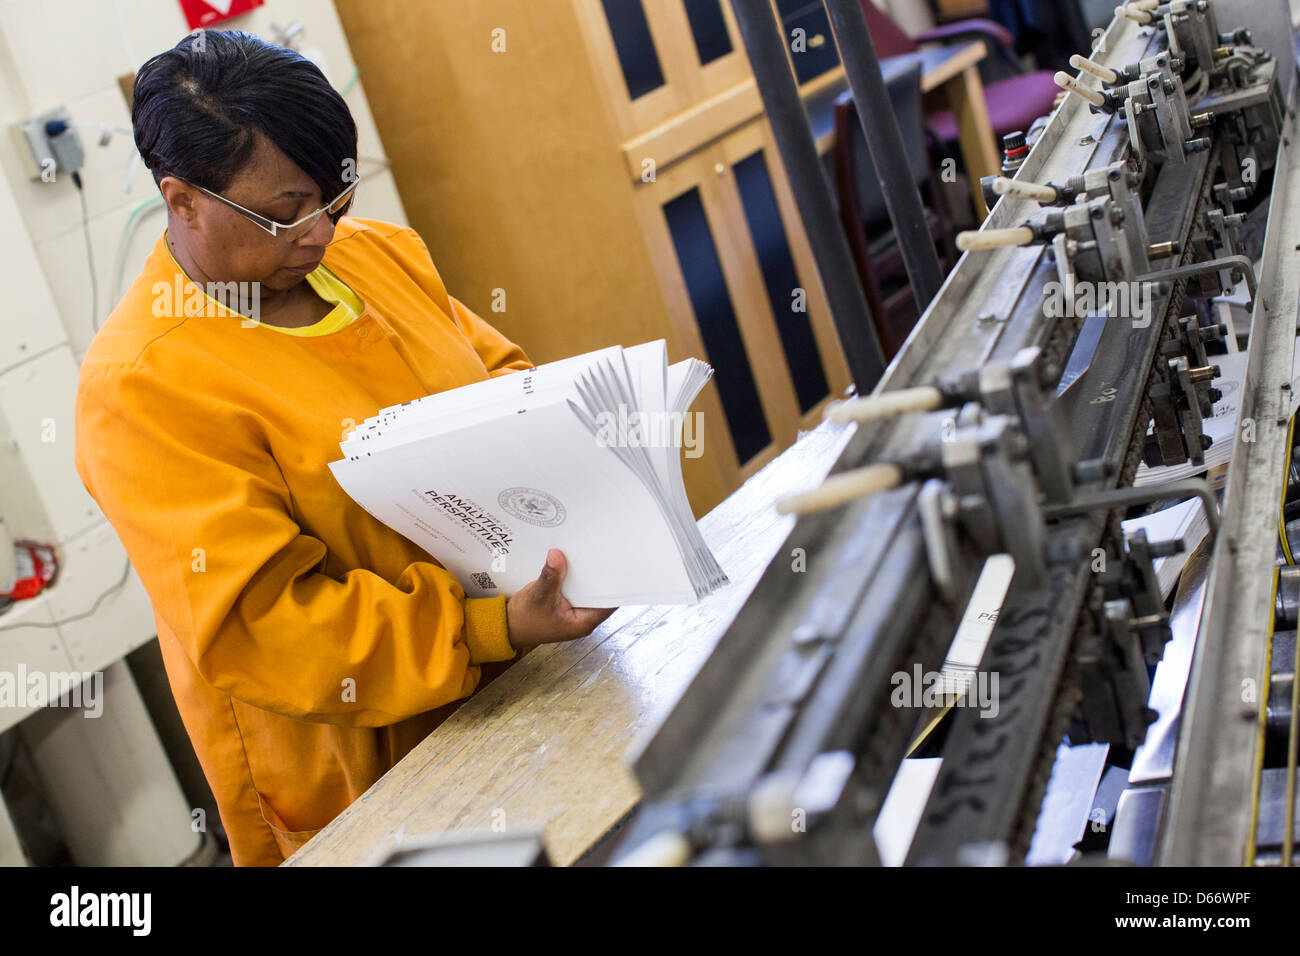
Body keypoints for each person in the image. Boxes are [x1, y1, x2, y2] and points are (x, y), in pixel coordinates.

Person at [74, 30, 614, 866]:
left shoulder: (374, 257)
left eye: (336, 197)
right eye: (284, 213)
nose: (320, 233)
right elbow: (269, 625)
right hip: (367, 765)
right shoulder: (144, 385)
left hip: (529, 665)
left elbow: (503, 382)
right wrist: (484, 627)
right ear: (181, 200)